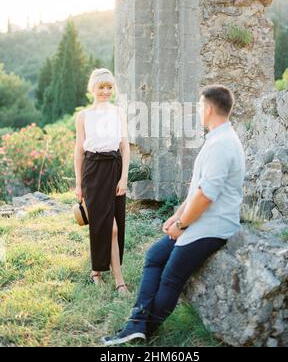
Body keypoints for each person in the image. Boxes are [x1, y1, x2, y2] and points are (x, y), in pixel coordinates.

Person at [101, 84, 245, 345]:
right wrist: (176, 216)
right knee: (155, 256)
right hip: (199, 221)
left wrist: (181, 224)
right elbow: (196, 189)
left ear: (209, 108)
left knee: (171, 278)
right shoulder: (216, 139)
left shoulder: (223, 144)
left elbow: (206, 196)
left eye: (200, 107)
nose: (199, 112)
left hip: (211, 226)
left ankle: (139, 330)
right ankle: (138, 323)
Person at [74, 68, 130, 294]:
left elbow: (125, 147)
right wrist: (78, 183)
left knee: (116, 226)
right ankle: (119, 281)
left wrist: (124, 177)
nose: (105, 91)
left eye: (109, 87)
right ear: (92, 89)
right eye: (101, 87)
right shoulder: (84, 116)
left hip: (115, 170)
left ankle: (97, 271)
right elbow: (78, 150)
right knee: (108, 227)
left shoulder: (118, 113)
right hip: (93, 171)